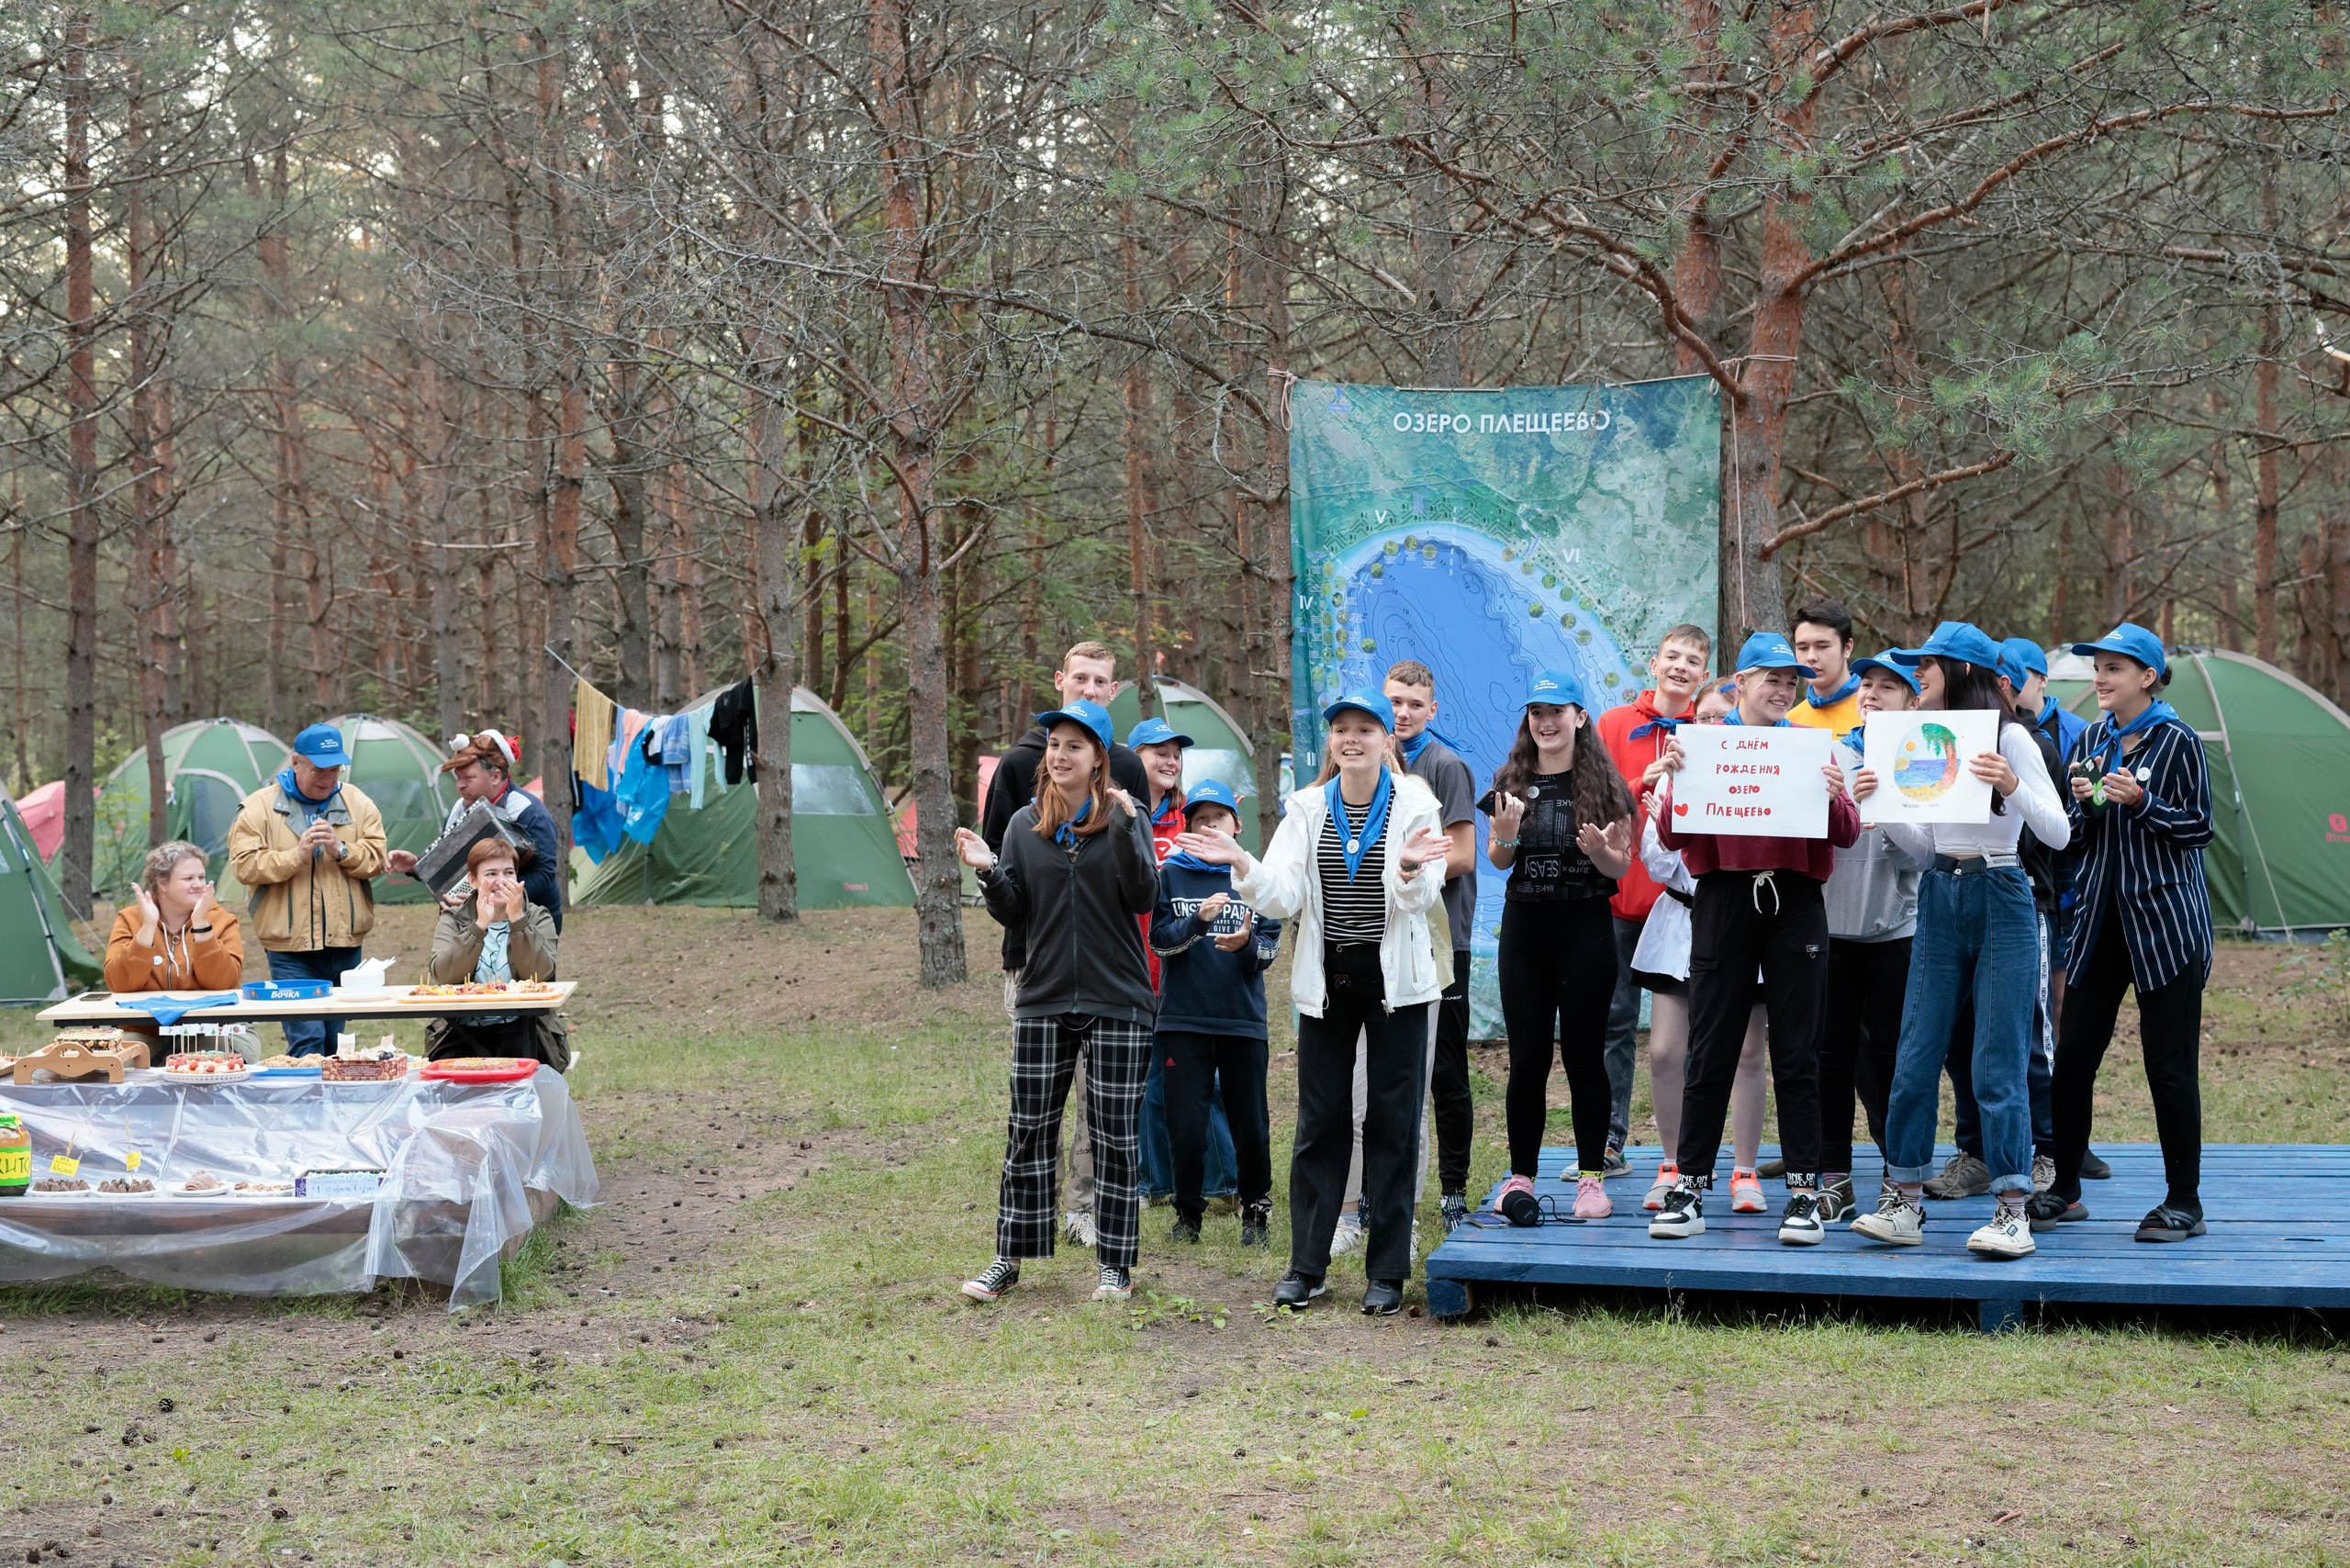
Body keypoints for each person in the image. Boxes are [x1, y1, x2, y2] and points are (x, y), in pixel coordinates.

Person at [1174, 691, 1449, 1316]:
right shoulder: (1305, 808)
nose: (1352, 740)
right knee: (1320, 1123)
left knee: (1392, 1123)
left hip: (1398, 981)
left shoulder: (1415, 804)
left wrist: (1405, 868)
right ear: (1331, 743)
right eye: (1341, 731)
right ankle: (1307, 1266)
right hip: (1329, 979)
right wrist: (1242, 861)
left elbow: (1419, 897)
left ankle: (1387, 1271)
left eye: (1365, 730)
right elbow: (1279, 896)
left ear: (1387, 740)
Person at [1849, 622, 2069, 1260]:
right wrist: (1884, 806)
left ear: (1963, 671)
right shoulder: (1924, 740)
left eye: (1928, 668)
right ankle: (1903, 1201)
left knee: (1997, 1061)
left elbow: (2056, 833)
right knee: (1915, 1053)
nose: (1918, 678)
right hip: (1941, 895)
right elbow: (1929, 849)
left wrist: (2011, 785)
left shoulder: (2012, 737)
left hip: (2003, 894)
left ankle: (2011, 1211)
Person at [1649, 633, 1859, 1246]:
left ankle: (1802, 1194)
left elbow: (1845, 834)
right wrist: (1673, 781)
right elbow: (1672, 836)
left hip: (1794, 902)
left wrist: (1833, 792)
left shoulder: (1812, 748)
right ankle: (1688, 1189)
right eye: (1771, 678)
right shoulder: (1703, 743)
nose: (1783, 690)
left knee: (1798, 1052)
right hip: (1723, 900)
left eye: (1791, 682)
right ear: (1738, 683)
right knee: (1710, 1048)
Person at [956, 697, 1159, 1304]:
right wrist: (990, 871)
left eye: (1075, 745)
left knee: (1115, 1137)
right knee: (1028, 1132)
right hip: (1043, 995)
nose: (1060, 755)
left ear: (1099, 758)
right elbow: (1014, 911)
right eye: (1053, 745)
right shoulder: (1024, 825)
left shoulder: (1128, 815)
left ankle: (1114, 1267)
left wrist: (1124, 829)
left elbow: (1144, 894)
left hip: (1118, 997)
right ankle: (1008, 1258)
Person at [2028, 622, 2215, 1243]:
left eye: (2113, 667)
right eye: (2096, 667)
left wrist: (2141, 804)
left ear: (2147, 676)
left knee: (2169, 1066)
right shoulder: (2098, 739)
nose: (2100, 678)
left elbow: (2198, 830)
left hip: (2166, 928)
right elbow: (2083, 841)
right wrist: (2084, 805)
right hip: (2098, 924)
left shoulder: (2177, 739)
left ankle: (2184, 1202)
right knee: (2073, 1059)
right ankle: (2065, 1188)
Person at [1482, 669, 1637, 1225]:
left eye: (1556, 712)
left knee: (1583, 1056)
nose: (1546, 722)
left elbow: (1619, 865)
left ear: (1579, 717)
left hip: (1587, 930)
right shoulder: (1511, 778)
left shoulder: (1603, 783)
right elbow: (1500, 861)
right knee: (1527, 1058)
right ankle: (1521, 1175)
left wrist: (1598, 850)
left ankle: (1592, 1179)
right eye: (1537, 713)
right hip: (1526, 931)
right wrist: (1505, 834)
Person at [1629, 679, 1774, 1210]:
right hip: (1681, 921)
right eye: (1704, 718)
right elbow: (1659, 859)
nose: (1714, 727)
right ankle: (1672, 1164)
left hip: (1745, 923)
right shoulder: (1677, 774)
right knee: (1668, 1050)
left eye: (1723, 717)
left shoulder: (1762, 771)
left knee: (1748, 1053)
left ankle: (1744, 1170)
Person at [1594, 624, 1714, 1178]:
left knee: (1683, 1040)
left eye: (1693, 660)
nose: (1681, 667)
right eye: (1673, 656)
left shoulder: (1713, 732)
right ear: (1653, 662)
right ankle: (1609, 1140)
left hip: (1683, 910)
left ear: (1704, 675)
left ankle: (1689, 1150)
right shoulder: (1616, 723)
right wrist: (1641, 780)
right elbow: (1590, 795)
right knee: (1615, 1024)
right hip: (1621, 900)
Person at [1365, 659, 1478, 1236]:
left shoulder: (1445, 765)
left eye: (1414, 704)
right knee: (1382, 1071)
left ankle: (1454, 1189)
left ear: (1432, 709)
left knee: (1445, 1073)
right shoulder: (1364, 763)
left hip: (1440, 941)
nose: (1402, 714)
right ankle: (1371, 1190)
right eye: (1394, 703)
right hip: (1379, 939)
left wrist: (1400, 863)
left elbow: (1461, 855)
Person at [1816, 652, 1928, 1220]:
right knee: (1829, 1058)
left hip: (1894, 934)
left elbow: (1927, 855)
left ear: (1914, 701)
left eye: (1890, 687)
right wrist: (1834, 801)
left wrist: (1884, 813)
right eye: (1867, 685)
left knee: (1892, 1060)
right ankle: (1834, 1173)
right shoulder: (1828, 752)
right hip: (1831, 932)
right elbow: (1807, 841)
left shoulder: (1925, 757)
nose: (1873, 694)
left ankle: (1897, 1177)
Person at [1149, 778, 1281, 1246]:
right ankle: (1188, 1216)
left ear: (1236, 825)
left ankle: (1257, 1215)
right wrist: (1197, 921)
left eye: (1218, 818)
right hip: (1182, 1021)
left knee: (1251, 1125)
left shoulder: (1254, 876)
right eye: (1200, 819)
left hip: (1242, 1021)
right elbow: (1160, 942)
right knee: (1185, 1126)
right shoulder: (1170, 875)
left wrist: (1247, 946)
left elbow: (1269, 951)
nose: (1209, 826)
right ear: (1188, 827)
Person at [1127, 713, 1238, 1208]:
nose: (1170, 760)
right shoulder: (1120, 816)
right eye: (1158, 752)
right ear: (1134, 759)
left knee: (1203, 1082)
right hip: (1128, 968)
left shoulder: (1188, 820)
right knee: (1150, 1085)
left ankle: (1219, 1183)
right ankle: (1156, 1182)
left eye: (1176, 753)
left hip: (1182, 972)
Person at [225, 723, 388, 1057]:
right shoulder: (258, 808)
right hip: (289, 948)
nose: (327, 778)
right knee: (307, 1039)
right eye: (318, 770)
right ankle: (305, 1107)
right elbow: (243, 865)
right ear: (295, 762)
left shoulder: (358, 802)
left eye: (334, 770)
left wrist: (341, 850)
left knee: (333, 1040)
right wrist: (294, 857)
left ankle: (330, 1106)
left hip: (346, 943)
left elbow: (376, 859)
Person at [386, 729, 565, 930]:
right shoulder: (460, 808)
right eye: (458, 777)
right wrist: (416, 864)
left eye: (468, 778)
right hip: (478, 920)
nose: (460, 785)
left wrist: (487, 895)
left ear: (496, 776)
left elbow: (544, 874)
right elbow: (450, 860)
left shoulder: (528, 811)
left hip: (531, 919)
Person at [424, 837, 562, 1063]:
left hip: (522, 1026)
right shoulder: (453, 919)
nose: (501, 881)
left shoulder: (537, 916)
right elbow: (442, 974)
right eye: (491, 874)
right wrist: (479, 926)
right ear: (473, 880)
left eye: (509, 873)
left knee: (516, 1064)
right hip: (460, 1027)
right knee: (443, 1075)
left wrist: (518, 919)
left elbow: (540, 974)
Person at [104, 843, 246, 1016]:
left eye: (201, 877)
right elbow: (119, 983)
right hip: (145, 1027)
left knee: (225, 1045)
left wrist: (201, 925)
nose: (198, 885)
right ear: (163, 883)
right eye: (189, 879)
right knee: (129, 1044)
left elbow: (221, 982)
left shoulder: (223, 920)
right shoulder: (130, 919)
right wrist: (147, 928)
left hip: (212, 1025)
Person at [1788, 598, 1863, 735]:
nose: (1811, 657)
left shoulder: (1872, 714)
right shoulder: (1789, 722)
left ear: (1847, 648)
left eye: (1822, 647)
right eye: (1803, 648)